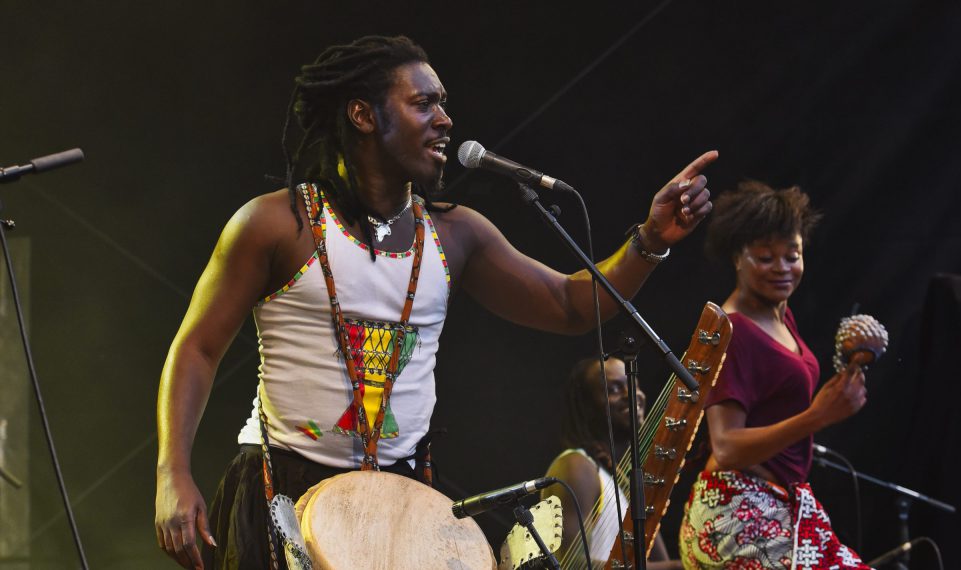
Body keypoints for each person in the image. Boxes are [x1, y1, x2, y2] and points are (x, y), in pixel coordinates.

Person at [154, 35, 717, 570]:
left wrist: (650, 240)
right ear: (363, 115)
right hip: (280, 492)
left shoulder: (455, 234)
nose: (445, 119)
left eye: (443, 104)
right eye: (423, 103)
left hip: (402, 501)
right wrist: (171, 473)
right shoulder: (276, 224)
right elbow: (197, 348)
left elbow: (572, 304)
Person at [678, 181, 869, 569]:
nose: (782, 268)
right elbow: (726, 447)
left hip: (774, 502)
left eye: (792, 255)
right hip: (735, 511)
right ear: (738, 257)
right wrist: (818, 416)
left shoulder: (780, 317)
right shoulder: (734, 330)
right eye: (766, 257)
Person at [544, 356, 683, 569]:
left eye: (634, 385)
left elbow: (659, 562)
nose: (631, 395)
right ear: (586, 406)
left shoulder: (622, 477)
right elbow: (570, 565)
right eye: (614, 389)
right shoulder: (576, 466)